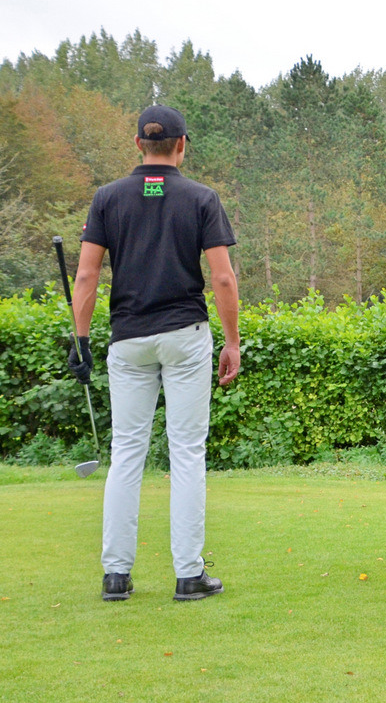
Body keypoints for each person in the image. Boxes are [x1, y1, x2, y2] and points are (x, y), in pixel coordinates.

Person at [69, 104, 240, 602]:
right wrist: (232, 341)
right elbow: (222, 278)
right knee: (186, 452)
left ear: (137, 145)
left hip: (128, 338)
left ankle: (116, 575)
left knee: (127, 452)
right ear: (182, 145)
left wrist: (81, 341)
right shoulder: (202, 198)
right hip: (185, 335)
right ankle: (188, 575)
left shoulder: (107, 198)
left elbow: (87, 274)